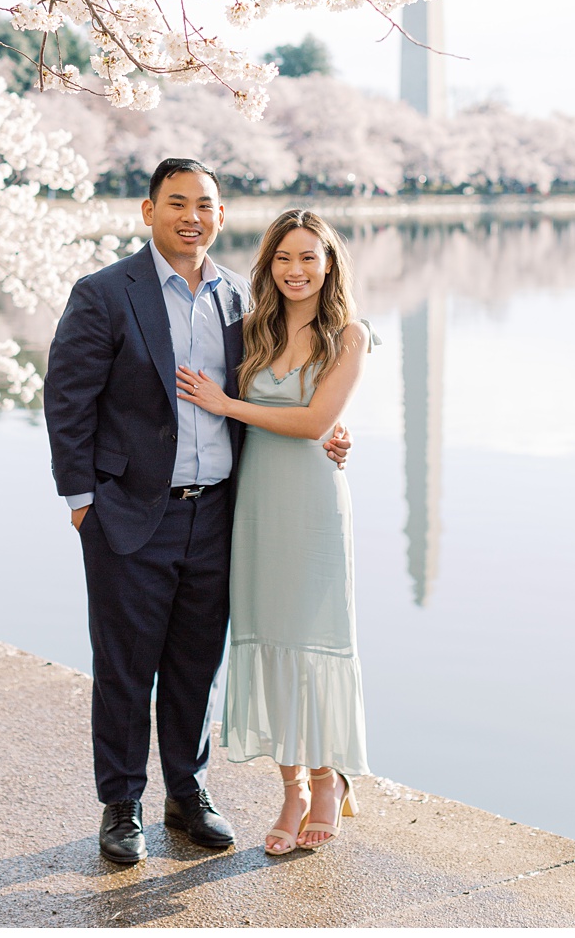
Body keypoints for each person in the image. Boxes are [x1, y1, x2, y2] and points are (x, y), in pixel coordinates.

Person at [45, 159, 351, 864]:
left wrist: (328, 429)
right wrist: (82, 500)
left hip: (219, 512)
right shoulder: (104, 293)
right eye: (176, 202)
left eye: (205, 204)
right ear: (147, 210)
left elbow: (282, 388)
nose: (192, 215)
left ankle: (188, 792)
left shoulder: (240, 299)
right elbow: (66, 399)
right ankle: (121, 804)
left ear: (220, 214)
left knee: (195, 662)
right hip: (126, 514)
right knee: (125, 665)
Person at [175, 209, 374, 855]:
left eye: (308, 257)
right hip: (256, 501)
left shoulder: (350, 335)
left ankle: (325, 778)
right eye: (284, 257)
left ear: (329, 263)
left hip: (313, 504)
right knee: (264, 635)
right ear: (269, 265)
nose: (296, 270)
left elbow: (317, 415)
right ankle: (289, 786)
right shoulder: (250, 330)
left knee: (311, 641)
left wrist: (231, 403)